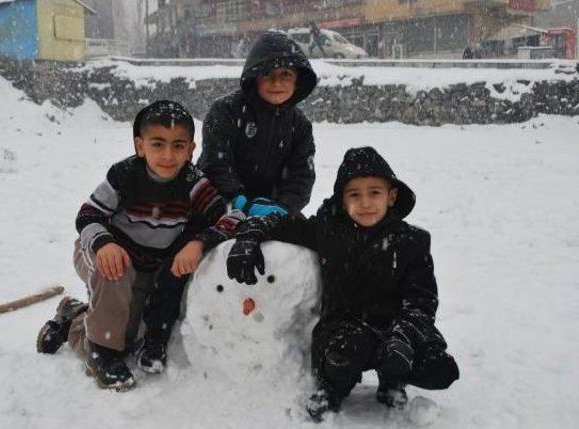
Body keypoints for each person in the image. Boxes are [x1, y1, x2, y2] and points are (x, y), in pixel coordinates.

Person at [226, 147, 459, 420]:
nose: (365, 203)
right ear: (342, 199)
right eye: (354, 194)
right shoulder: (328, 229)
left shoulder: (411, 243)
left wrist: (405, 336)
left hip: (395, 330)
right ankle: (331, 389)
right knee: (345, 352)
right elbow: (284, 224)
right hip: (345, 330)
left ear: (392, 196)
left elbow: (422, 301)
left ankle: (393, 381)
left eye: (374, 193)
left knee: (440, 369)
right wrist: (250, 235)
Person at [36, 100, 244, 391]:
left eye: (178, 146)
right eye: (157, 144)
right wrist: (104, 243)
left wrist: (199, 242)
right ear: (140, 146)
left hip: (146, 267)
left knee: (127, 338)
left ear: (191, 150)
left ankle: (73, 316)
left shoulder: (194, 183)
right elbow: (88, 215)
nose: (168, 155)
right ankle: (100, 355)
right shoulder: (124, 176)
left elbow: (232, 216)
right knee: (112, 320)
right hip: (103, 254)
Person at [197, 31, 318, 217]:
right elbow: (215, 164)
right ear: (255, 78)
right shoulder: (225, 111)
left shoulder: (300, 125)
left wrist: (283, 207)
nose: (276, 82)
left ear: (298, 80)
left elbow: (301, 176)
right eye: (267, 73)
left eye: (286, 74)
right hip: (223, 206)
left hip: (277, 211)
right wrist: (240, 202)